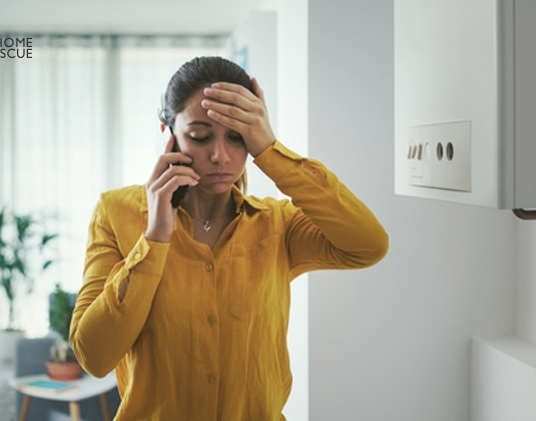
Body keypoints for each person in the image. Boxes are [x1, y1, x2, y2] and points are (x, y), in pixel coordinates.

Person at [70, 56, 388, 420]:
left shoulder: (278, 224)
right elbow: (94, 356)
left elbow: (369, 245)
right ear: (168, 136)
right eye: (200, 136)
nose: (220, 156)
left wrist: (270, 150)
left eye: (237, 137)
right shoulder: (115, 213)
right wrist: (155, 239)